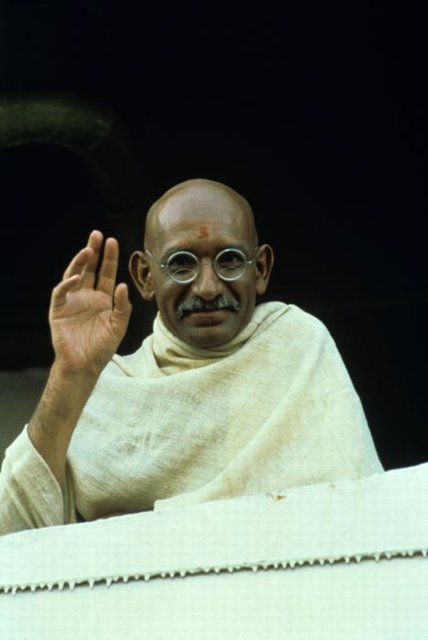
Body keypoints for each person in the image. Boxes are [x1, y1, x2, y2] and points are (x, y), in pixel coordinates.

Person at [0, 178, 383, 535]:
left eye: (229, 260)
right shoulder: (105, 392)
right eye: (181, 264)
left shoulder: (296, 347)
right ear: (144, 276)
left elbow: (351, 509)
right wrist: (71, 373)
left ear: (261, 269)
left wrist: (139, 527)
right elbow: (14, 531)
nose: (207, 288)